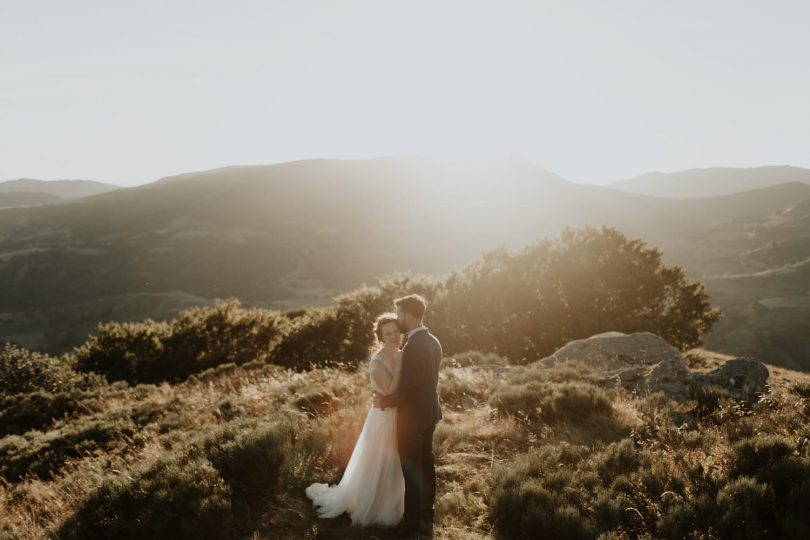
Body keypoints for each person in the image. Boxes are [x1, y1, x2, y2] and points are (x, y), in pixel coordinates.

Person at [305, 312, 406, 527]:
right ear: (381, 336)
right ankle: (373, 505)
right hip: (383, 419)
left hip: (399, 417)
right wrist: (398, 366)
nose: (394, 336)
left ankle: (398, 501)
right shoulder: (378, 362)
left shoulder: (400, 353)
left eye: (396, 331)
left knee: (397, 461)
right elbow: (388, 392)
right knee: (380, 462)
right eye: (388, 333)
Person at [373, 294, 443, 538]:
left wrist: (383, 401)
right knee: (427, 463)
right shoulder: (433, 341)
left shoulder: (412, 347)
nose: (399, 318)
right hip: (430, 414)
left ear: (409, 316)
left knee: (411, 470)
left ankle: (411, 525)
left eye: (400, 313)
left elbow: (407, 390)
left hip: (412, 420)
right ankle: (427, 514)